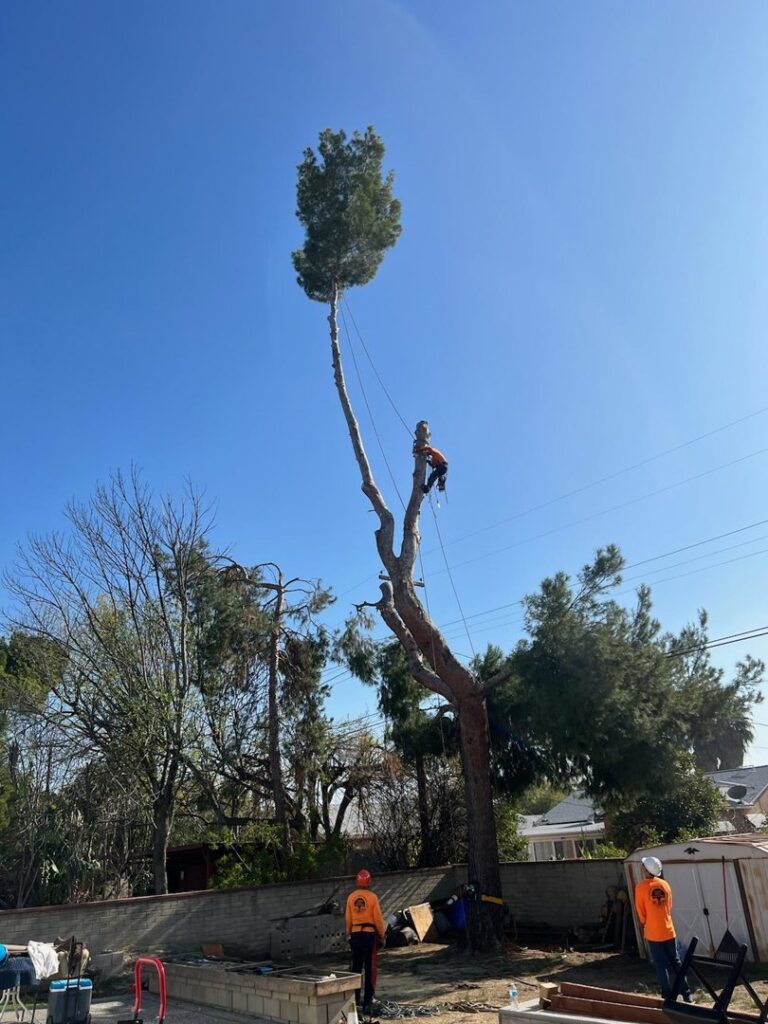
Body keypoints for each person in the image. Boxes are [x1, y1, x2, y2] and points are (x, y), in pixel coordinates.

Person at [634, 856, 692, 1003]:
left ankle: (667, 995)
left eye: (643, 866)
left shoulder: (641, 887)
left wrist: (645, 923)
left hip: (653, 933)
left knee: (661, 965)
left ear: (646, 870)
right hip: (668, 930)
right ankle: (686, 993)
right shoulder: (665, 885)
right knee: (676, 962)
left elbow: (641, 912)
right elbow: (669, 906)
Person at [346, 869, 386, 1013]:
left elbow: (348, 919)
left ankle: (355, 1000)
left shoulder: (351, 897)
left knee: (356, 968)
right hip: (369, 936)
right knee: (370, 969)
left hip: (356, 935)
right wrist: (382, 934)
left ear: (357, 881)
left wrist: (349, 934)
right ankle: (367, 1002)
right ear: (369, 882)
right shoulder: (373, 897)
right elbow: (378, 919)